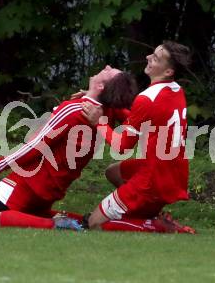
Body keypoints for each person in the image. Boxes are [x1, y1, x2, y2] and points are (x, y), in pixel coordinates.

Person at [0, 65, 139, 230]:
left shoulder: (75, 109)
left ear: (101, 86)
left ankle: (56, 224)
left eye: (109, 71)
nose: (107, 67)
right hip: (52, 187)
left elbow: (35, 145)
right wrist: (95, 97)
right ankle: (84, 222)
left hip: (30, 180)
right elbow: (135, 116)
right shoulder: (104, 114)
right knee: (32, 213)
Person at [81, 41, 196, 234]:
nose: (148, 58)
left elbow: (121, 146)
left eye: (156, 58)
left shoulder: (146, 98)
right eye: (152, 54)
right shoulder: (176, 90)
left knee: (93, 224)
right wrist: (107, 103)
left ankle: (154, 225)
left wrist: (99, 121)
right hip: (173, 173)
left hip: (152, 178)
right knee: (113, 172)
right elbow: (145, 119)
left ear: (168, 72)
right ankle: (145, 212)